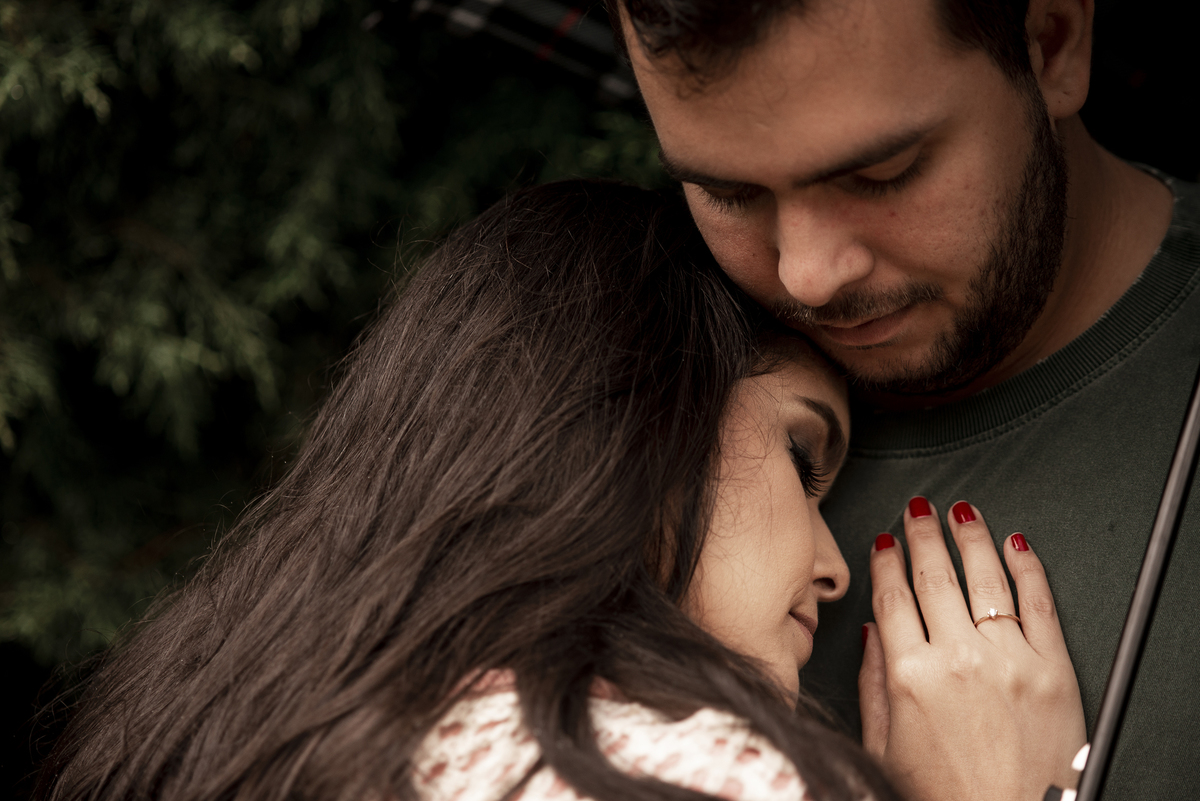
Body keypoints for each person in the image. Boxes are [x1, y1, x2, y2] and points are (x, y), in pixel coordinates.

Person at [35, 181, 1084, 801]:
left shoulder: (223, 733)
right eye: (803, 463)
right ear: (640, 411)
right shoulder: (681, 775)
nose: (831, 562)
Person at [611, 0, 1200, 796]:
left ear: (1052, 42)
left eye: (879, 174)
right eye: (727, 193)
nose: (806, 275)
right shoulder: (619, 376)